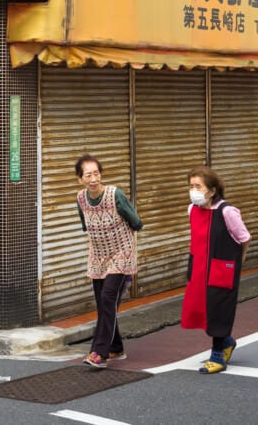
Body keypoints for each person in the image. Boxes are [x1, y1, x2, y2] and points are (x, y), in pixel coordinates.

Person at [75, 153, 142, 369]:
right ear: (80, 179)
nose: (93, 179)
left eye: (96, 173)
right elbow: (86, 226)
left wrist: (123, 243)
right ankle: (116, 347)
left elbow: (136, 222)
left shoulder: (116, 195)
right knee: (104, 303)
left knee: (107, 298)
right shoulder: (81, 199)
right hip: (98, 256)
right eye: (88, 175)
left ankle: (99, 352)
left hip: (121, 254)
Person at [181, 166, 250, 374]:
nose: (193, 190)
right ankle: (227, 342)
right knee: (201, 310)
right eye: (191, 186)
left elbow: (244, 239)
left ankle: (218, 355)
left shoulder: (227, 211)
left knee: (218, 310)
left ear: (211, 191)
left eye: (198, 186)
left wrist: (238, 262)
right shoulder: (192, 210)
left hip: (222, 269)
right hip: (199, 267)